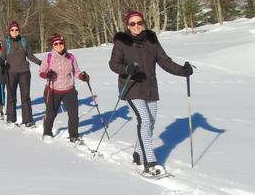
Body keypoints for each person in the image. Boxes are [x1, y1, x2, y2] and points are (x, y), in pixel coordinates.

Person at [109, 9, 193, 176]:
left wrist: (183, 71)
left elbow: (164, 61)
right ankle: (150, 163)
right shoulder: (121, 42)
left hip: (149, 88)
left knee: (150, 122)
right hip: (131, 87)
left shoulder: (151, 40)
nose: (136, 26)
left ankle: (138, 153)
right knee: (145, 120)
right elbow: (113, 64)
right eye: (132, 23)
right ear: (127, 25)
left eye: (139, 22)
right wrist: (127, 68)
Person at [38, 33, 90, 143]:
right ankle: (47, 132)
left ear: (64, 44)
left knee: (73, 114)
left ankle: (74, 136)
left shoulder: (71, 57)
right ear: (52, 45)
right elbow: (41, 71)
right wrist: (47, 75)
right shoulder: (49, 57)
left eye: (60, 43)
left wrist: (82, 76)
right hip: (52, 89)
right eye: (55, 43)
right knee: (51, 113)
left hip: (69, 90)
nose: (58, 45)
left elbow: (76, 71)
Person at [0, 21, 42, 126]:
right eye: (12, 30)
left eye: (16, 29)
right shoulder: (6, 42)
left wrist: (41, 63)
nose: (14, 31)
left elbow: (30, 56)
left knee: (25, 96)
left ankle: (27, 120)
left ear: (19, 30)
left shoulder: (24, 41)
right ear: (9, 31)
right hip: (10, 73)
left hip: (24, 73)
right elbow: (2, 58)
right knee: (11, 96)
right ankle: (11, 119)